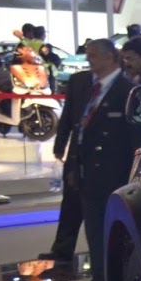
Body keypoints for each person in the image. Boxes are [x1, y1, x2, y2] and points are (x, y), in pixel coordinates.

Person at [70, 39, 141, 281]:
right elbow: (80, 129)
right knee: (94, 227)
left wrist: (137, 175)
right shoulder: (89, 89)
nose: (89, 60)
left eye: (93, 55)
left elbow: (139, 137)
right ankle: (100, 277)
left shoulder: (127, 91)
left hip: (116, 171)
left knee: (117, 228)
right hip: (90, 171)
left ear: (109, 57)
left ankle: (120, 278)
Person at [40, 54, 98, 262]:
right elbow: (68, 116)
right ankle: (62, 249)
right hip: (76, 153)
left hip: (102, 157)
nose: (92, 60)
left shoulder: (121, 83)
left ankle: (100, 256)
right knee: (70, 204)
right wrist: (60, 145)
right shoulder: (79, 80)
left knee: (96, 209)